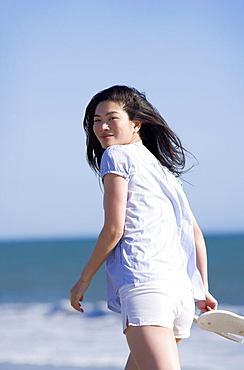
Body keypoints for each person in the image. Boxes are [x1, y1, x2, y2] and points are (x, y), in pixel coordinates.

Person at [70, 85, 218, 370]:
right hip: (180, 296)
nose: (102, 127)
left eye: (112, 118)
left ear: (135, 124)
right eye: (96, 120)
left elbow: (114, 229)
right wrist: (203, 288)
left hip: (146, 288)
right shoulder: (163, 171)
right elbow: (194, 233)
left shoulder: (115, 156)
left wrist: (84, 279)